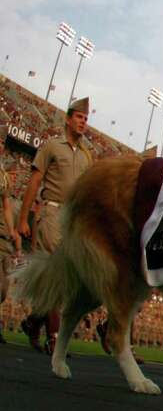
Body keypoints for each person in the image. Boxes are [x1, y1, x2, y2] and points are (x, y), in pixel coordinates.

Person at [18, 97, 93, 354]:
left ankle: (32, 321)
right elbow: (34, 181)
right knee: (56, 273)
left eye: (86, 119)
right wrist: (22, 217)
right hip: (50, 213)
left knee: (63, 278)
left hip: (71, 219)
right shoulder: (52, 146)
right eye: (79, 117)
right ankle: (53, 336)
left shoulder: (86, 155)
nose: (83, 122)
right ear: (68, 119)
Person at [0, 152, 17, 343]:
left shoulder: (3, 176)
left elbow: (6, 206)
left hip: (4, 235)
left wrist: (12, 230)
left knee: (4, 288)